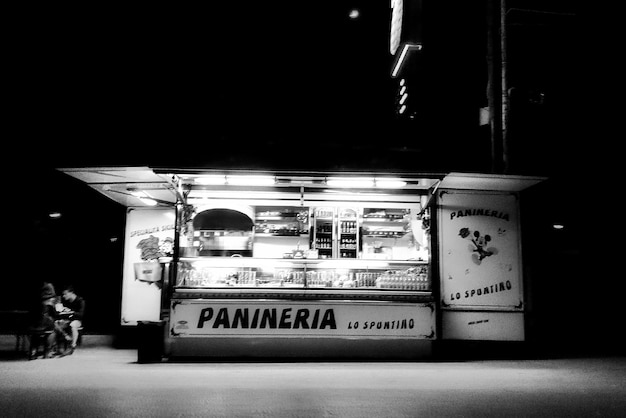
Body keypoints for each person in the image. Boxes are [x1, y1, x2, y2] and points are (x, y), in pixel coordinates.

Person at [28, 282, 59, 359]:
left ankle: (33, 352)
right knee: (53, 329)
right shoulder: (49, 301)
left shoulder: (34, 299)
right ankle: (47, 352)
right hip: (44, 324)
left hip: (32, 324)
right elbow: (54, 314)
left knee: (35, 332)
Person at [58, 285, 85, 355]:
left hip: (77, 320)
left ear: (71, 293)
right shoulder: (66, 301)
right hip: (68, 319)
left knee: (72, 325)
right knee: (57, 323)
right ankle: (59, 345)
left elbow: (81, 315)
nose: (64, 296)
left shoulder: (80, 301)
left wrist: (71, 312)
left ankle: (72, 346)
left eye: (65, 294)